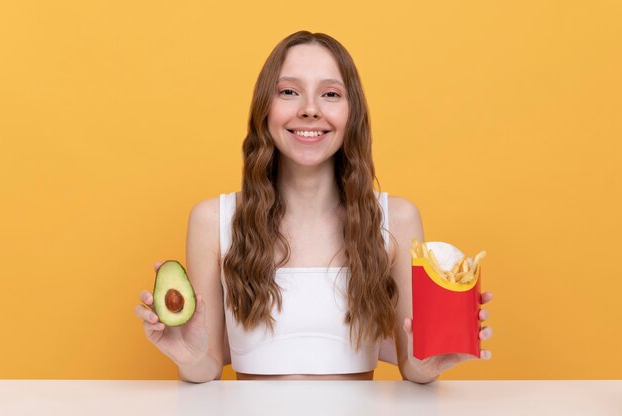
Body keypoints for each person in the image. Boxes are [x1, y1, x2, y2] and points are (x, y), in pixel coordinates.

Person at [135, 31, 493, 383]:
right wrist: (190, 357)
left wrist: (429, 365)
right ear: (264, 108)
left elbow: (412, 365)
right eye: (289, 92)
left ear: (352, 112)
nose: (309, 109)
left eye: (330, 94)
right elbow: (207, 367)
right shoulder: (212, 221)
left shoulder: (397, 220)